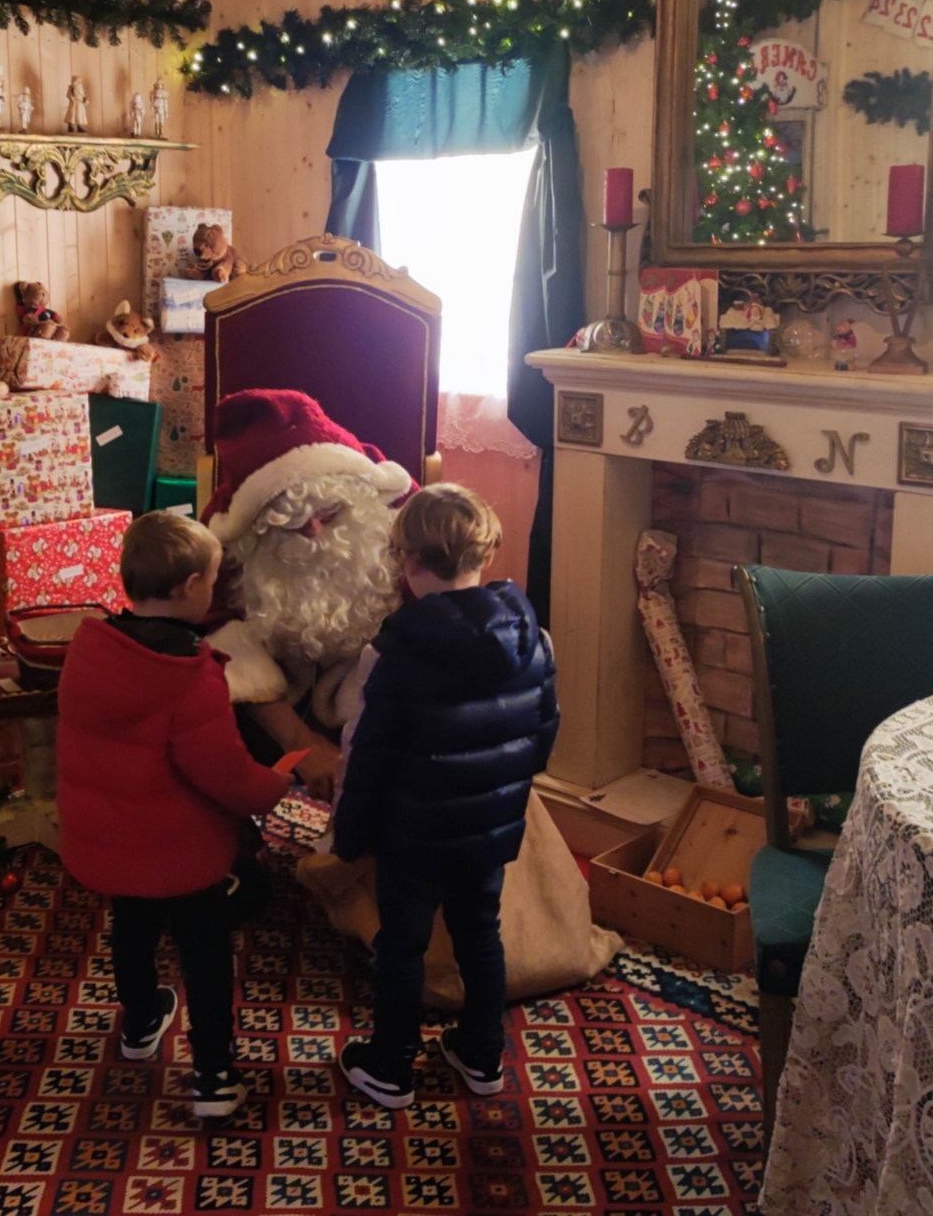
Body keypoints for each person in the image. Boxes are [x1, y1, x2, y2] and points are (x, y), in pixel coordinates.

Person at [56, 513, 291, 1119]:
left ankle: (140, 1022)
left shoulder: (89, 648)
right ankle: (213, 1075)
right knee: (205, 953)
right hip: (181, 848)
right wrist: (277, 782)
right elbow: (225, 773)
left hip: (111, 838)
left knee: (131, 926)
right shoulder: (189, 676)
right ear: (190, 586)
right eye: (212, 580)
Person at [331, 484, 559, 1109]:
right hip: (490, 825)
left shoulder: (393, 652)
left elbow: (366, 755)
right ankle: (483, 1055)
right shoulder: (531, 636)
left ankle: (390, 1067)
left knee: (400, 944)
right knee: (479, 933)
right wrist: (508, 788)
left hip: (413, 836)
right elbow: (544, 729)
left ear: (408, 562)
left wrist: (348, 836)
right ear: (483, 554)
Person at [201, 390, 416, 798]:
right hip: (274, 708)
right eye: (291, 522)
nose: (314, 532)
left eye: (328, 514)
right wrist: (299, 741)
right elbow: (216, 637)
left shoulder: (402, 514)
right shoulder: (226, 535)